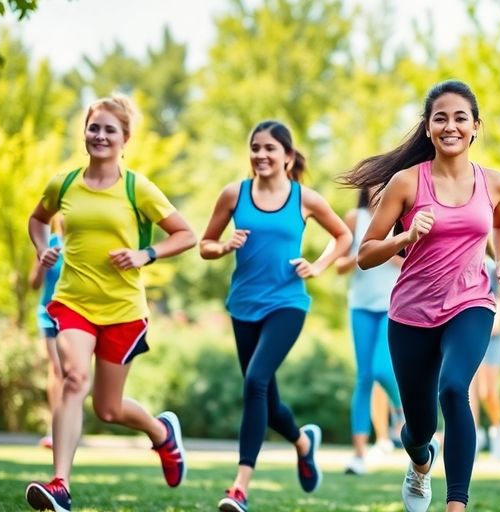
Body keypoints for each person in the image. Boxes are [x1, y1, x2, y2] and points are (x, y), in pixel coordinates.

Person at [340, 79, 500, 512]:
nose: (451, 126)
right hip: (411, 314)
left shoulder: (495, 183)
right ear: (427, 128)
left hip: (471, 303)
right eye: (441, 118)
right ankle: (420, 462)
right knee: (418, 428)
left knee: (455, 388)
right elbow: (365, 254)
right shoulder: (405, 183)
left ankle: (456, 503)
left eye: (461, 118)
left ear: (476, 126)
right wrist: (405, 239)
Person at [25, 94, 197, 511]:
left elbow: (185, 234)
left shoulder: (138, 188)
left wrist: (145, 255)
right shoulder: (63, 184)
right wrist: (41, 249)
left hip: (122, 310)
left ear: (125, 139)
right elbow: (37, 219)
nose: (99, 135)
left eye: (109, 129)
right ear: (84, 131)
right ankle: (60, 485)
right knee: (73, 379)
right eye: (94, 127)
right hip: (73, 302)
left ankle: (161, 435)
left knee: (108, 408)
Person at [200, 120, 351, 512]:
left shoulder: (305, 198)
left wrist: (317, 267)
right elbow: (204, 244)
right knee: (266, 399)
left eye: (269, 148)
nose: (261, 155)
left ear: (287, 155)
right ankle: (303, 443)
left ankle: (239, 487)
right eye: (255, 148)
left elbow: (344, 237)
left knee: (255, 381)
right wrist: (223, 246)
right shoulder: (235, 194)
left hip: (288, 304)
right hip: (243, 305)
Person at [335, 186, 406, 475]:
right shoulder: (355, 218)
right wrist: (362, 255)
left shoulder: (401, 218)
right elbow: (339, 266)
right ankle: (359, 454)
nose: (381, 188)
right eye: (375, 183)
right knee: (363, 377)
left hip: (393, 305)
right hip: (361, 306)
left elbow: (418, 263)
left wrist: (390, 255)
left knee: (380, 369)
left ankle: (402, 410)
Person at [469, 251, 500, 460]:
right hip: (468, 332)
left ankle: (498, 430)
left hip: (492, 335)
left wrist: (498, 319)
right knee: (468, 391)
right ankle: (472, 436)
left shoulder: (492, 266)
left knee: (488, 392)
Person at [27, 214, 65, 450]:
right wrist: (43, 261)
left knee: (72, 373)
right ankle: (55, 429)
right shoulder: (50, 242)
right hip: (48, 313)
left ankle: (69, 424)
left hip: (77, 314)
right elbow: (33, 283)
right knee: (57, 369)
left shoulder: (84, 246)